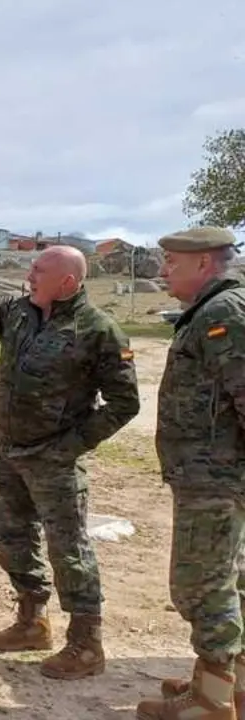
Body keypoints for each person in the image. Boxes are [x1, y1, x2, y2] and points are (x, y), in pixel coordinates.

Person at [0, 244, 139, 679]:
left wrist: (70, 446)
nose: (29, 275)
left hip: (54, 461)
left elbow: (124, 402)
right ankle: (32, 622)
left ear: (67, 281)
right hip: (7, 451)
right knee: (12, 540)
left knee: (70, 551)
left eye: (38, 269)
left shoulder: (99, 330)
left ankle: (85, 645)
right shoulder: (20, 312)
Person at [136, 226, 245, 719]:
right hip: (213, 476)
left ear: (204, 263)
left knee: (202, 585)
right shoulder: (213, 310)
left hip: (216, 479)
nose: (163, 271)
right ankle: (227, 685)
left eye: (171, 262)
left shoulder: (224, 312)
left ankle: (211, 702)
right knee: (230, 581)